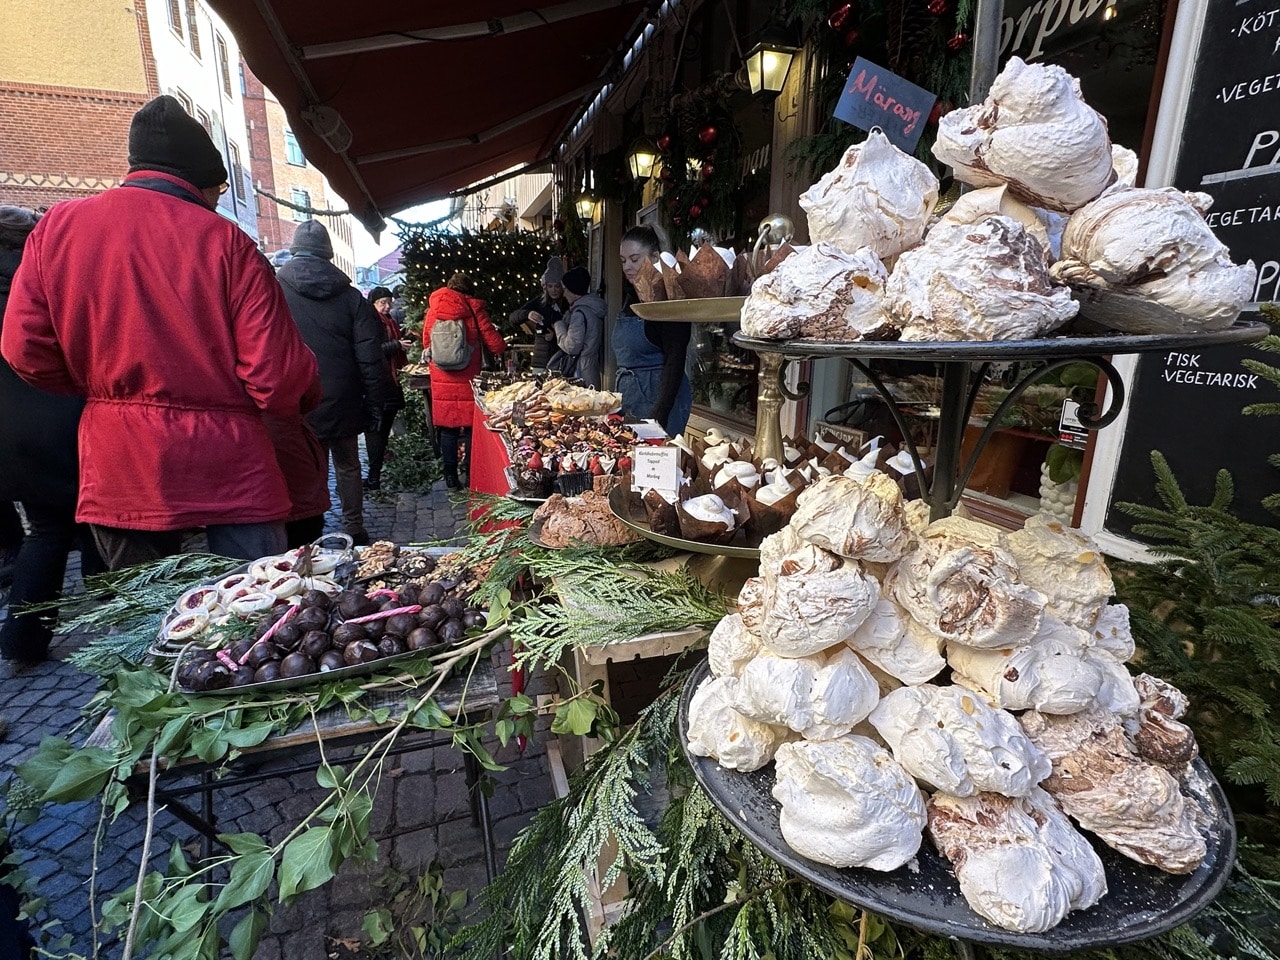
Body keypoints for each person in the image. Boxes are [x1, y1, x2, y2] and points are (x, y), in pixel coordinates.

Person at [1, 95, 320, 570]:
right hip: (229, 462)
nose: (217, 200)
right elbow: (275, 377)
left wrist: (102, 393)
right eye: (219, 188)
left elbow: (24, 348)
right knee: (254, 615)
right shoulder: (226, 241)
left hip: (123, 461)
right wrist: (307, 398)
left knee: (142, 621)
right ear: (202, 182)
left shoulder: (58, 230)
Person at [0, 205, 105, 664]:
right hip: (69, 420)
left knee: (44, 532)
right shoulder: (47, 282)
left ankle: (23, 640)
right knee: (97, 521)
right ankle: (117, 616)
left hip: (14, 435)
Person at [277, 220, 389, 545]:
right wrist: (376, 402)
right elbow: (371, 356)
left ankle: (310, 529)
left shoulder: (275, 290)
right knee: (348, 465)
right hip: (344, 397)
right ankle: (354, 527)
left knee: (307, 467)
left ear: (296, 249)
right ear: (328, 253)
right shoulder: (352, 298)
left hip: (297, 397)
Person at [422, 272, 506, 489]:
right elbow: (494, 343)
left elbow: (425, 341)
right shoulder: (473, 307)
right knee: (470, 429)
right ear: (469, 290)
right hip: (468, 376)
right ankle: (470, 475)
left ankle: (450, 477)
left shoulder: (434, 308)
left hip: (442, 378)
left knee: (448, 430)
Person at [615, 225, 693, 435]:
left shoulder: (667, 296)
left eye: (634, 259)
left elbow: (675, 360)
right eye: (623, 261)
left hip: (660, 399)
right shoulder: (631, 296)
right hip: (630, 397)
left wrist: (659, 416)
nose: (627, 267)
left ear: (655, 256)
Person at [364, 285, 410, 491]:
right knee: (377, 431)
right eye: (382, 302)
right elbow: (372, 351)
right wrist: (397, 346)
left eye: (389, 302)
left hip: (390, 384)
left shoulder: (390, 321)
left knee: (382, 431)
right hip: (379, 384)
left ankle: (376, 474)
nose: (387, 306)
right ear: (373, 304)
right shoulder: (371, 324)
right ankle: (374, 477)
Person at [510, 257, 566, 373]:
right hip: (540, 360)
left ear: (562, 287)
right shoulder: (539, 302)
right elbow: (513, 317)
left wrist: (554, 336)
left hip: (561, 359)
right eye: (550, 286)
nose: (554, 290)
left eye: (557, 286)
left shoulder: (567, 304)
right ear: (545, 287)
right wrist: (527, 314)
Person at [554, 266, 605, 389]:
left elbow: (571, 347)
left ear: (573, 290)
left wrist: (558, 324)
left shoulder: (579, 314)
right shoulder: (592, 308)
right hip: (591, 366)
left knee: (582, 404)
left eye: (565, 289)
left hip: (580, 370)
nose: (564, 293)